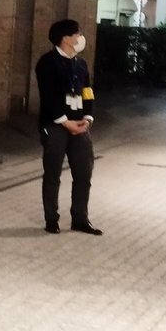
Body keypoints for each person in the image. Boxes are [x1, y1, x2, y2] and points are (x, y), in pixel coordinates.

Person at [35, 19, 102, 236]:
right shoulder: (47, 62)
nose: (80, 38)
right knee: (52, 173)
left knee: (84, 173)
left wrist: (88, 118)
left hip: (80, 125)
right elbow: (48, 96)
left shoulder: (80, 64)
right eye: (77, 34)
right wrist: (65, 121)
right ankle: (51, 219)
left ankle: (80, 219)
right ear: (65, 38)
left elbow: (87, 91)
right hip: (55, 125)